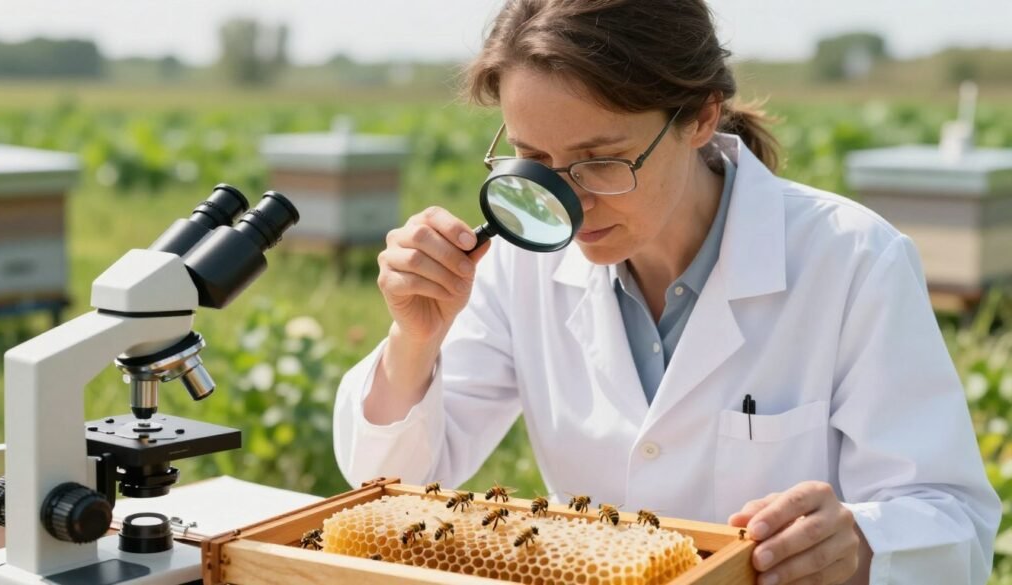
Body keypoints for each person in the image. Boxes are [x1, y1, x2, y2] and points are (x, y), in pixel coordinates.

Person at [333, 1, 1001, 583]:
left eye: (600, 161)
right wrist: (414, 339)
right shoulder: (521, 264)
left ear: (702, 117)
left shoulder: (854, 260)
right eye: (535, 162)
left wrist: (855, 543)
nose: (567, 203)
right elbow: (390, 488)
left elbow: (955, 525)